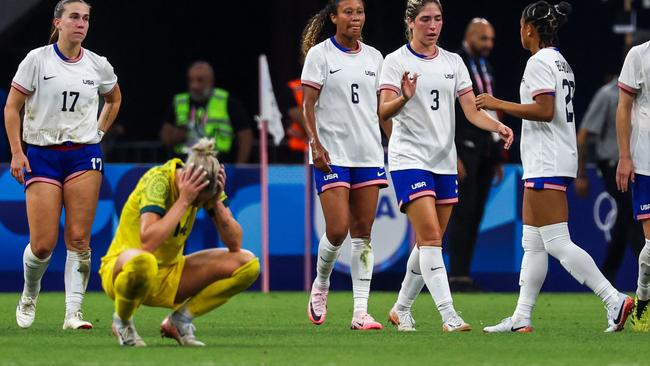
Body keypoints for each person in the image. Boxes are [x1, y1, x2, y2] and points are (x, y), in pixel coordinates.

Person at [477, 1, 633, 333]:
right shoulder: (560, 61)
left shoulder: (537, 62)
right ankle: (522, 316)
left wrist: (496, 104)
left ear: (530, 29)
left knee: (557, 242)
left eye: (521, 25)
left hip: (547, 159)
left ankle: (614, 300)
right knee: (532, 242)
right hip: (550, 157)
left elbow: (545, 110)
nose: (519, 31)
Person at [378, 0, 513, 332]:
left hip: (443, 160)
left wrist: (497, 126)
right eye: (425, 19)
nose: (433, 25)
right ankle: (449, 315)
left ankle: (401, 308)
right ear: (410, 22)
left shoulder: (453, 62)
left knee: (429, 241)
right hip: (409, 159)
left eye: (437, 18)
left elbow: (471, 110)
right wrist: (404, 98)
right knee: (432, 238)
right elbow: (383, 111)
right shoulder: (395, 61)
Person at [5, 0, 122, 330]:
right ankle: (30, 293)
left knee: (80, 239)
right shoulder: (36, 60)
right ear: (57, 22)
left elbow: (114, 99)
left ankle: (74, 313)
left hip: (84, 155)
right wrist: (17, 151)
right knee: (42, 244)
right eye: (74, 17)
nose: (81, 23)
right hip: (42, 153)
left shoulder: (98, 65)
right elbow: (12, 108)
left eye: (85, 18)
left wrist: (98, 131)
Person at [99, 138, 260, 347]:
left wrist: (216, 201)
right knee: (144, 261)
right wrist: (185, 200)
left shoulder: (207, 184)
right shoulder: (158, 181)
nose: (199, 205)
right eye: (198, 200)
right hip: (122, 270)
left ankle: (180, 321)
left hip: (169, 274)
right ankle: (123, 321)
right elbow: (147, 242)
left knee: (248, 264)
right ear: (186, 177)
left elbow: (235, 243)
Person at [301, 0, 387, 330]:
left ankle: (361, 312)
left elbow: (381, 108)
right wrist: (315, 142)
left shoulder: (375, 58)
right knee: (337, 229)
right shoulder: (320, 55)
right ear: (334, 17)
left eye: (360, 12)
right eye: (348, 12)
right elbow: (307, 104)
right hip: (332, 153)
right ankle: (321, 283)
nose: (355, 18)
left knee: (363, 233)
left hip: (367, 153)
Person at [447, 18, 505, 292]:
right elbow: (451, 112)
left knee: (476, 214)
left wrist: (496, 157)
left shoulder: (486, 66)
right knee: (462, 212)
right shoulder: (456, 63)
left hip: (485, 150)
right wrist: (453, 152)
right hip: (464, 147)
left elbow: (489, 109)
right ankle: (455, 274)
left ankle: (463, 274)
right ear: (469, 37)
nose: (489, 44)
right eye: (483, 39)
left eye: (491, 39)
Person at [575, 75, 644, 283]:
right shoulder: (607, 95)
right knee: (632, 215)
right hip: (614, 167)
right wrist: (581, 174)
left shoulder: (644, 94)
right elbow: (583, 135)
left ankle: (606, 276)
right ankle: (646, 276)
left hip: (639, 167)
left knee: (624, 221)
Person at [615, 39, 650, 332]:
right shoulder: (639, 55)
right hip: (646, 162)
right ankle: (643, 299)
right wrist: (624, 155)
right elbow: (624, 106)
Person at [160, 61, 253, 164]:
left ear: (211, 81)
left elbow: (245, 136)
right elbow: (165, 136)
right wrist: (178, 135)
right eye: (191, 80)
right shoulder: (179, 102)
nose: (194, 85)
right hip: (183, 168)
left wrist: (239, 168)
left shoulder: (228, 102)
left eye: (200, 80)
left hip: (218, 168)